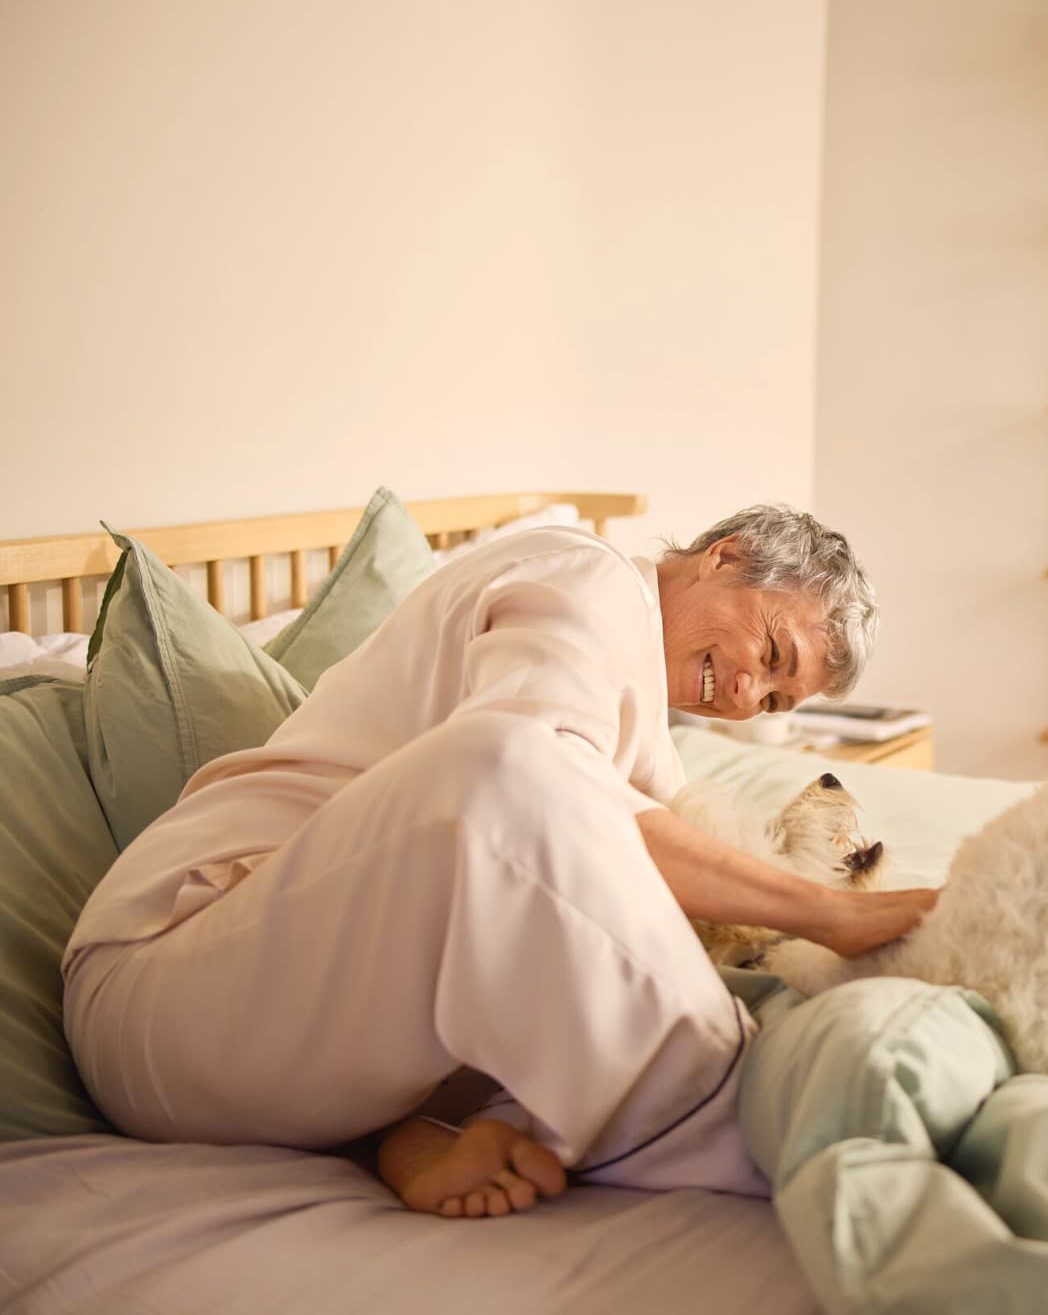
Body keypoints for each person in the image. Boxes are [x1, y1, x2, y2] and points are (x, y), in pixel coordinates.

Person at [62, 505, 936, 1217]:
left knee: (614, 901)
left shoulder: (642, 736)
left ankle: (411, 1134)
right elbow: (530, 780)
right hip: (169, 981)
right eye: (769, 656)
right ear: (726, 557)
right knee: (503, 768)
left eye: (778, 699)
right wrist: (828, 913)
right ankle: (747, 1124)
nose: (748, 697)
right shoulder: (585, 576)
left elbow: (660, 891)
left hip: (293, 1046)